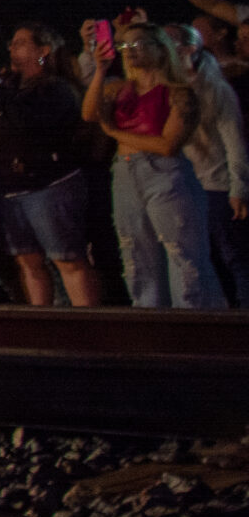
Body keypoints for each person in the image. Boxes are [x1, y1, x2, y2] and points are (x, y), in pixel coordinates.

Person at [0, 25, 101, 307]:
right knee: (28, 263)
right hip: (10, 190)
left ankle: (91, 326)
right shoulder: (8, 87)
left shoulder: (56, 88)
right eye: (11, 43)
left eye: (19, 43)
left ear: (43, 50)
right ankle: (41, 328)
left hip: (48, 187)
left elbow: (24, 120)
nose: (11, 49)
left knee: (68, 260)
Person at [82, 21, 220, 308]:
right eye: (125, 46)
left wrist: (114, 133)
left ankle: (192, 325)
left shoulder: (179, 93)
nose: (130, 52)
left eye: (138, 45)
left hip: (163, 173)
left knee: (181, 252)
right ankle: (151, 323)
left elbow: (167, 145)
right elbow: (89, 113)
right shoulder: (120, 89)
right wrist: (101, 70)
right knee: (135, 254)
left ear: (161, 50)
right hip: (124, 170)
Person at [173, 24, 249, 305]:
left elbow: (234, 142)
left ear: (190, 49)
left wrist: (238, 188)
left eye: (171, 43)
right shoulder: (166, 89)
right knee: (201, 262)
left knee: (235, 260)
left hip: (215, 187)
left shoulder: (216, 89)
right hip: (180, 187)